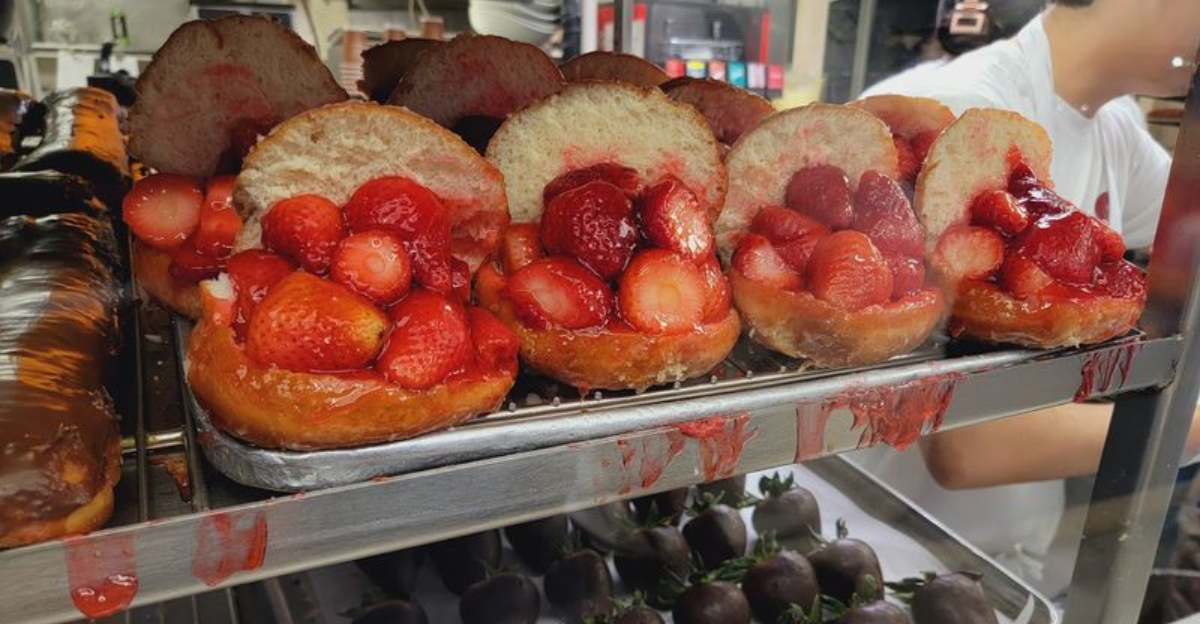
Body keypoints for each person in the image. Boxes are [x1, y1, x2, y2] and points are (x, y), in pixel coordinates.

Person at [851, 0, 1200, 600]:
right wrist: (1189, 426)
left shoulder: (1111, 123)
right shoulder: (962, 117)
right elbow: (970, 443)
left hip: (997, 564)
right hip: (887, 554)